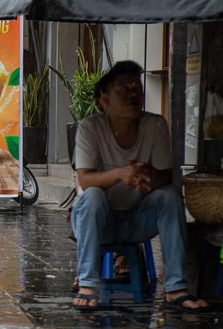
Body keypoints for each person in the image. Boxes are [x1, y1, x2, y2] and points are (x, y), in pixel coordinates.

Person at [71, 60, 210, 312]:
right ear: (104, 100)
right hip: (97, 222)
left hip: (137, 221)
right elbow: (85, 179)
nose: (133, 93)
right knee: (92, 196)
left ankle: (176, 287)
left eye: (136, 87)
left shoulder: (155, 125)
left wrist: (145, 176)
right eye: (123, 88)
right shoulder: (90, 128)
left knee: (169, 196)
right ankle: (88, 285)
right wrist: (120, 174)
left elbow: (166, 176)